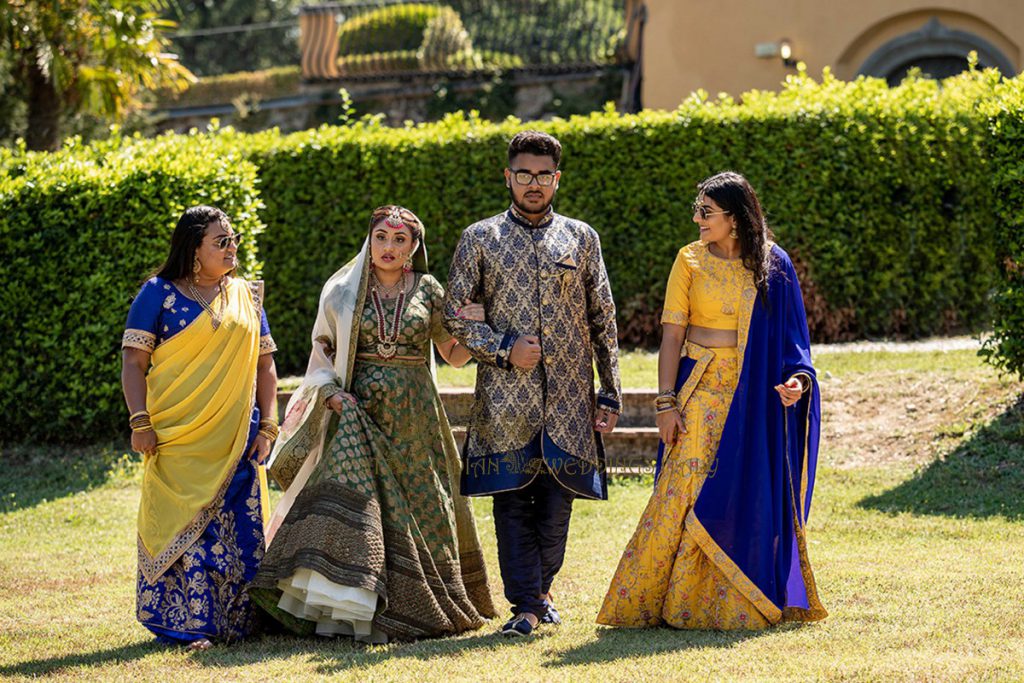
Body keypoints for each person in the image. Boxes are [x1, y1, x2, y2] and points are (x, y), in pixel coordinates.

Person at [251, 205, 496, 643]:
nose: (389, 247)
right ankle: (343, 609)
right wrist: (331, 394)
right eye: (382, 237)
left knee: (423, 501)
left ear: (414, 247)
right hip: (357, 412)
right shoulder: (344, 291)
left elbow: (452, 354)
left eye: (400, 240)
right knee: (357, 497)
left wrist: (477, 330)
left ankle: (422, 602)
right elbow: (321, 352)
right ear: (370, 240)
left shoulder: (429, 289)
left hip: (416, 417)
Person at [597, 171, 827, 630]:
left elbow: (792, 341)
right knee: (682, 489)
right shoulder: (690, 260)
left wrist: (797, 382)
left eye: (706, 212)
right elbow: (672, 336)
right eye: (697, 210)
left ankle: (728, 601)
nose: (697, 219)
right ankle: (654, 600)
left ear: (736, 219)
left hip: (754, 393)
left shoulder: (773, 265)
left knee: (744, 491)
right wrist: (666, 403)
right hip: (699, 388)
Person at [443, 130, 622, 637]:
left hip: (569, 396)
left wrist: (609, 391)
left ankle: (540, 593)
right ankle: (524, 604)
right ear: (508, 177)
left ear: (557, 178)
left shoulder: (581, 238)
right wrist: (504, 348)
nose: (534, 183)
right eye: (524, 174)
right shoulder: (480, 238)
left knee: (558, 499)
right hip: (505, 397)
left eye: (543, 175)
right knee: (511, 499)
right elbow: (455, 317)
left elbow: (602, 315)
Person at [121, 205, 279, 650]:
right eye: (221, 242)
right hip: (177, 436)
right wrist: (140, 421)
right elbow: (134, 361)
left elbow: (265, 365)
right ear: (194, 249)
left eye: (233, 240)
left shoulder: (246, 296)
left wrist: (268, 425)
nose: (232, 248)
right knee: (190, 527)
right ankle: (193, 626)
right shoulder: (157, 293)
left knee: (238, 527)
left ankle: (243, 620)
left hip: (238, 436)